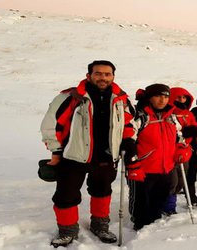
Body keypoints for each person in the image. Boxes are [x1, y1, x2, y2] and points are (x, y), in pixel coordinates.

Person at [40, 60, 136, 247]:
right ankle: (67, 230)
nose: (103, 78)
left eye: (107, 74)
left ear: (113, 77)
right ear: (89, 75)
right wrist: (56, 151)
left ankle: (100, 226)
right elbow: (51, 125)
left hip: (106, 156)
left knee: (102, 191)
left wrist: (128, 140)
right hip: (73, 155)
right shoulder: (71, 96)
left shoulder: (120, 99)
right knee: (65, 194)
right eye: (98, 73)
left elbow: (129, 123)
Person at [124, 84, 191, 230]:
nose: (163, 100)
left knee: (160, 198)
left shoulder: (171, 116)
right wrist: (133, 163)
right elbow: (128, 140)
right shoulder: (140, 115)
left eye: (166, 96)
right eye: (158, 96)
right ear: (149, 97)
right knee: (141, 201)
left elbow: (179, 136)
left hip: (165, 167)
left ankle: (154, 225)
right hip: (143, 168)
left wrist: (180, 148)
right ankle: (139, 227)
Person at [163, 87, 197, 215]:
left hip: (185, 151)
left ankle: (168, 202)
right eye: (178, 97)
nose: (182, 100)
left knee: (181, 180)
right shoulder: (167, 112)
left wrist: (194, 129)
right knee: (172, 181)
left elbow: (194, 124)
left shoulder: (187, 113)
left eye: (184, 97)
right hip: (170, 152)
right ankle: (169, 207)